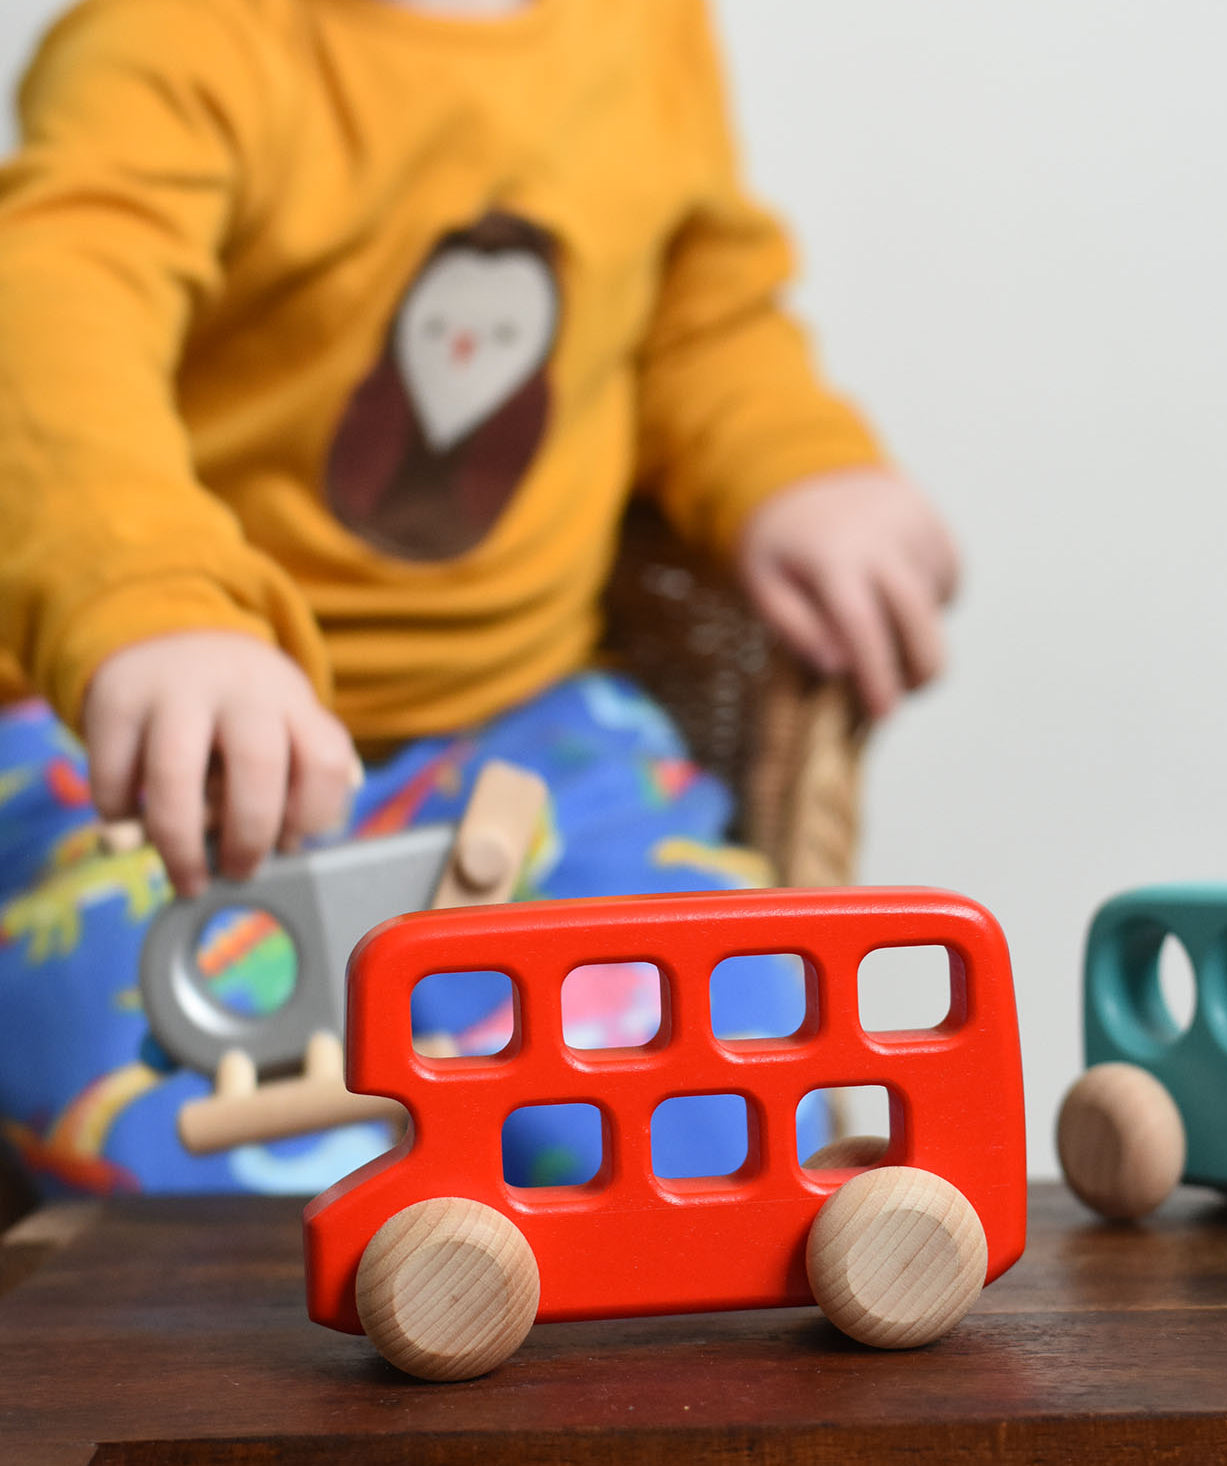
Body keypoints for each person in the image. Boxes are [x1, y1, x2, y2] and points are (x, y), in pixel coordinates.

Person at [0, 0, 958, 1197]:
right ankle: (308, 1305)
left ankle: (665, 1296)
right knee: (111, 1054)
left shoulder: (645, 29)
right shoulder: (178, 37)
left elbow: (688, 309)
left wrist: (792, 460)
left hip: (516, 727)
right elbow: (49, 322)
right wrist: (150, 601)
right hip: (136, 746)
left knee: (731, 1024)